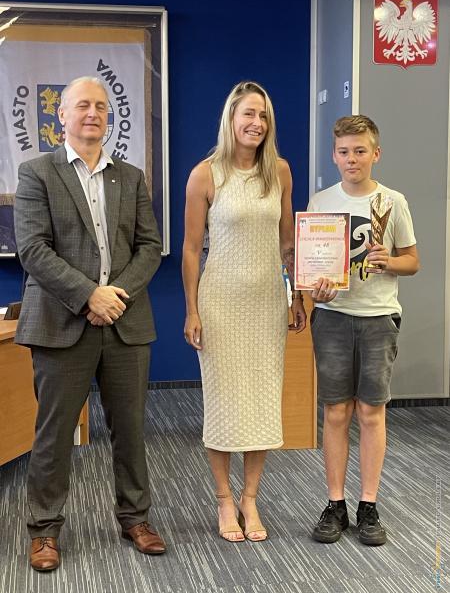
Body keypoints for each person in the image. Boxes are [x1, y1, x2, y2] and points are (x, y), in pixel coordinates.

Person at [14, 76, 165, 571]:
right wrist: (88, 296)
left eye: (101, 106)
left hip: (124, 322)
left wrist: (114, 297)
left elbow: (149, 247)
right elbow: (33, 248)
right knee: (54, 433)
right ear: (62, 115)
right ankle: (44, 529)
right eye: (82, 105)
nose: (93, 113)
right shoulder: (37, 173)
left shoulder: (131, 177)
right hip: (61, 323)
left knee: (130, 429)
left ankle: (135, 518)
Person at [182, 81, 306, 542]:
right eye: (249, 114)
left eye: (263, 116)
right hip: (219, 304)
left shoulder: (280, 173)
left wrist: (297, 296)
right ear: (231, 119)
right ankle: (223, 499)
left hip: (266, 304)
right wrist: (192, 310)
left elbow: (289, 243)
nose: (257, 123)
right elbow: (191, 249)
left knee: (261, 402)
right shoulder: (205, 175)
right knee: (222, 403)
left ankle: (250, 498)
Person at [308, 115, 419, 546]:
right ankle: (335, 503)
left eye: (360, 151)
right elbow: (310, 268)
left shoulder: (393, 202)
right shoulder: (321, 203)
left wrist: (388, 261)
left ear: (376, 153)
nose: (351, 158)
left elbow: (412, 260)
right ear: (334, 156)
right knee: (336, 412)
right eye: (344, 151)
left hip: (378, 317)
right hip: (333, 317)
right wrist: (314, 289)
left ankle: (368, 504)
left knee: (372, 412)